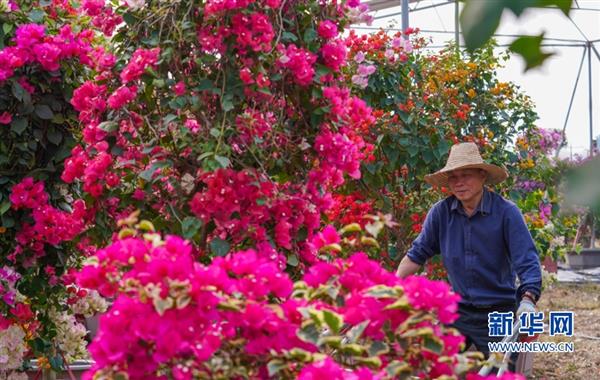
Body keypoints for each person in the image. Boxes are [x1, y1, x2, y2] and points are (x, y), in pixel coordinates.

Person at [396, 142, 542, 371]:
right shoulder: (441, 213)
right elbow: (417, 254)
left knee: (500, 373)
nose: (459, 182)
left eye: (466, 175)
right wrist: (391, 287)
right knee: (432, 367)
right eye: (453, 177)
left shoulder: (506, 213)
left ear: (482, 175)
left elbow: (527, 260)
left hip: (499, 311)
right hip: (458, 311)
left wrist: (528, 299)